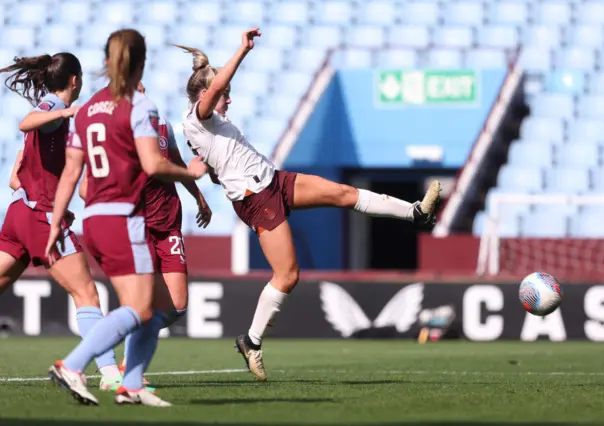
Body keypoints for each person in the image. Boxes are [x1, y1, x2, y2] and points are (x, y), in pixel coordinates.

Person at [176, 28, 442, 382]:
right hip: (257, 200)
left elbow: (210, 168)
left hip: (274, 181)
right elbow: (212, 115)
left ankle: (416, 213)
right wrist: (242, 51)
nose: (229, 101)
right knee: (288, 275)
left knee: (343, 194)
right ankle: (251, 341)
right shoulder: (198, 116)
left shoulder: (210, 125)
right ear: (208, 93)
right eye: (225, 94)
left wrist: (207, 178)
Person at [45, 29, 207, 407]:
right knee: (139, 309)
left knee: (152, 310)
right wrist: (192, 174)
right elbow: (152, 164)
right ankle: (72, 365)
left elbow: (71, 174)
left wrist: (55, 225)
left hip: (93, 221)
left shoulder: (86, 110)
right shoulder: (140, 107)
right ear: (141, 64)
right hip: (123, 218)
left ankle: (131, 385)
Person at [78, 82, 213, 391]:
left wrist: (198, 196)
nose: (140, 90)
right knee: (142, 305)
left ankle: (121, 345)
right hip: (135, 226)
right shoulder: (116, 130)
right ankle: (124, 368)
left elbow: (176, 161)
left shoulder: (161, 123)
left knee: (177, 306)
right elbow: (86, 186)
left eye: (141, 85)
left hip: (167, 224)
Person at [0, 53, 122, 387]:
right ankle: (111, 374)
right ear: (74, 80)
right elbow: (26, 122)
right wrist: (65, 112)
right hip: (40, 216)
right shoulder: (53, 108)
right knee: (87, 293)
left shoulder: (50, 113)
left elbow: (15, 177)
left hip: (18, 214)